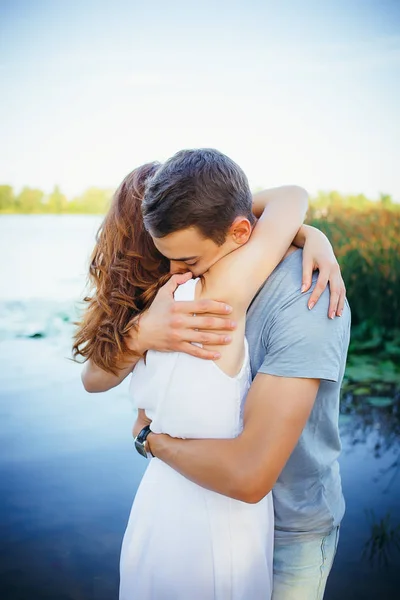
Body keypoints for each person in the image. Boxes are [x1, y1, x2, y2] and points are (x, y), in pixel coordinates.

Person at [75, 149, 349, 599]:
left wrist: (150, 439)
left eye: (185, 259)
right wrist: (141, 335)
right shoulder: (191, 298)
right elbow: (290, 197)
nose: (175, 272)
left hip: (281, 521)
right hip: (216, 515)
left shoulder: (298, 292)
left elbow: (99, 383)